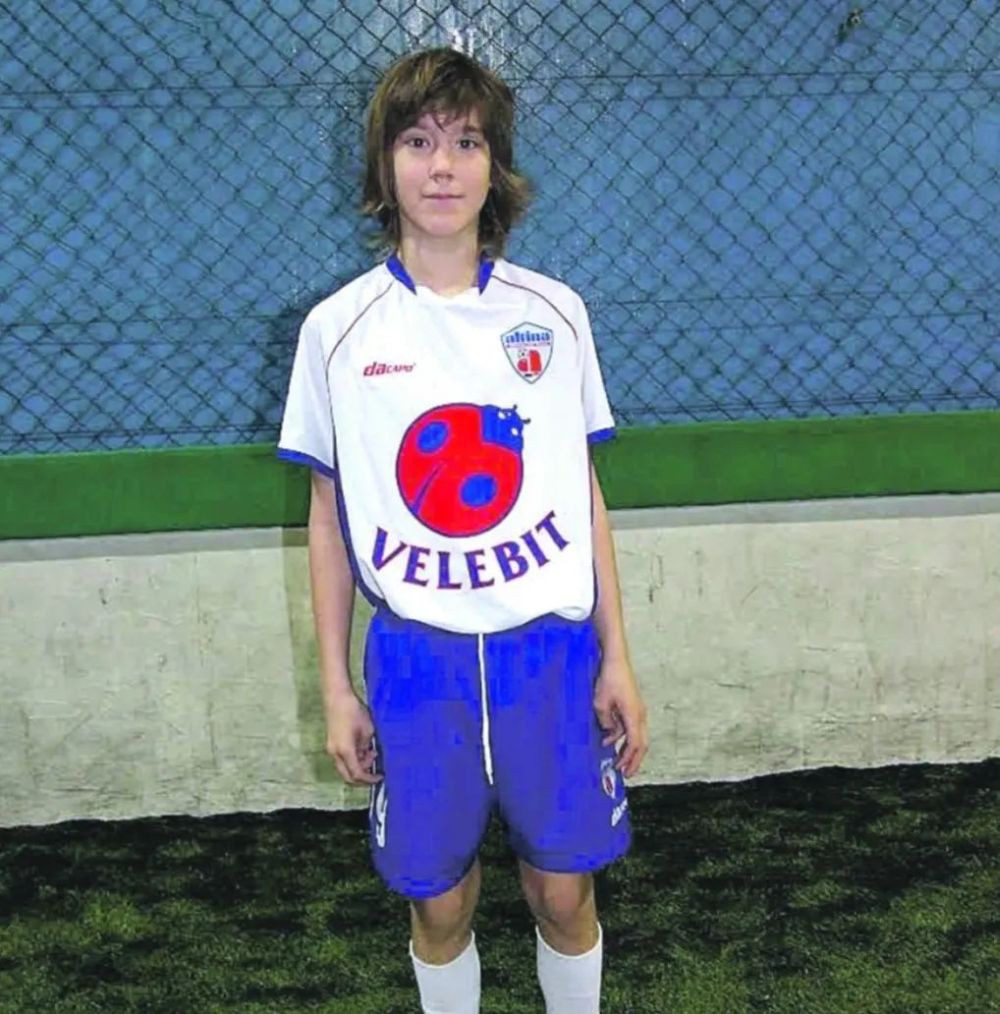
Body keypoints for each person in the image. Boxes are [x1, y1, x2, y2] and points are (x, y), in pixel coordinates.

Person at [277, 46, 648, 1014]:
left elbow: (584, 494)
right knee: (438, 906)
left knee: (562, 893)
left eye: (467, 142)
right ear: (383, 164)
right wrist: (335, 685)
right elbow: (327, 518)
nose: (441, 166)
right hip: (418, 663)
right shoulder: (336, 332)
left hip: (548, 656)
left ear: (496, 167)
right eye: (417, 142)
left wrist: (617, 656)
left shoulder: (554, 316)